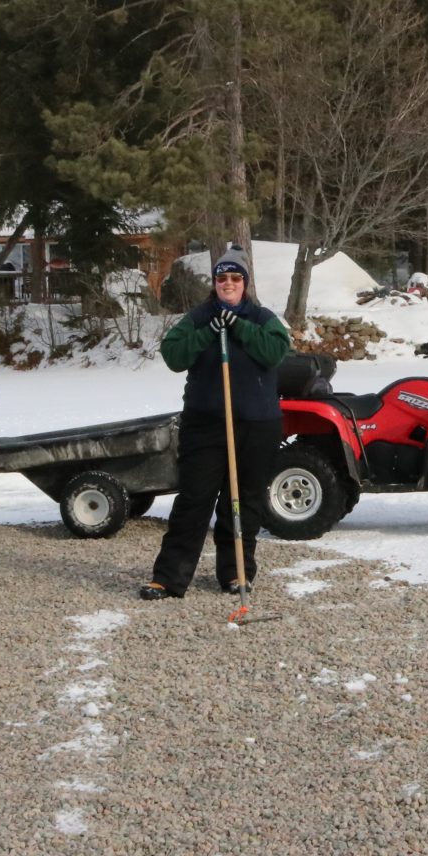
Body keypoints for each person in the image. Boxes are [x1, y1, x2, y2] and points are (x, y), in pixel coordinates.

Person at [143, 248, 292, 599]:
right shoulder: (199, 317)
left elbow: (275, 353)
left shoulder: (262, 318)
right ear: (214, 282)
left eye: (235, 278)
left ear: (245, 283)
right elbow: (173, 355)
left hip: (256, 424)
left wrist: (239, 327)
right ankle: (169, 578)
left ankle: (236, 573)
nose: (228, 283)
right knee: (194, 499)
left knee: (243, 501)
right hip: (205, 424)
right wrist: (209, 331)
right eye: (222, 278)